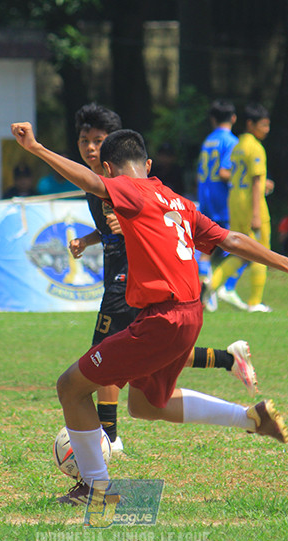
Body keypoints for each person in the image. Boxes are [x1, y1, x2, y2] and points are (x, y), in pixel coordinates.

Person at [10, 122, 288, 505]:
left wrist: (37, 148)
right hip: (190, 314)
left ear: (109, 169)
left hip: (163, 318)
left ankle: (97, 489)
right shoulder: (177, 200)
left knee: (70, 387)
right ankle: (251, 417)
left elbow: (90, 183)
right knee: (145, 405)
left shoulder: (128, 189)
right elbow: (232, 239)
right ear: (149, 163)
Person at [68, 103, 260, 454]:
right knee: (145, 362)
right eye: (84, 140)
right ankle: (229, 361)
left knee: (101, 355)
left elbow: (149, 227)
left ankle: (108, 438)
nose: (91, 148)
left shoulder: (122, 184)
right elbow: (114, 224)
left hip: (135, 278)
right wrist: (90, 238)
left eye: (98, 141)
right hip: (135, 279)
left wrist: (35, 147)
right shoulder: (102, 183)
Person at [208, 103, 274, 313]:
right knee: (261, 251)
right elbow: (256, 182)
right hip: (250, 204)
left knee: (240, 251)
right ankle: (255, 301)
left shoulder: (238, 146)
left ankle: (211, 284)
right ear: (250, 124)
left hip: (234, 202)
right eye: (263, 125)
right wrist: (256, 214)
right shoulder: (255, 147)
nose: (266, 129)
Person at [197, 100, 248, 311]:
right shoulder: (232, 141)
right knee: (240, 245)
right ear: (234, 118)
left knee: (206, 248)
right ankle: (226, 286)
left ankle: (203, 291)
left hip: (205, 196)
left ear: (212, 119)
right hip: (223, 200)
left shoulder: (208, 141)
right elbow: (225, 172)